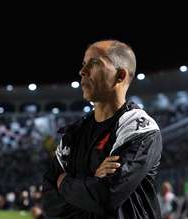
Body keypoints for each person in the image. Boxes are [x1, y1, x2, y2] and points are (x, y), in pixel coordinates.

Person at [42, 40, 163, 219]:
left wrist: (64, 182)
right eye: (84, 64)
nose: (82, 72)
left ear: (120, 75)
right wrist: (92, 180)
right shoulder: (73, 134)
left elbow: (106, 195)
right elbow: (50, 204)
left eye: (95, 63)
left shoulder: (139, 127)